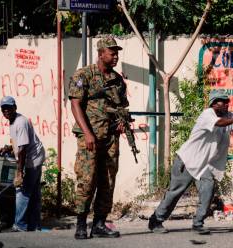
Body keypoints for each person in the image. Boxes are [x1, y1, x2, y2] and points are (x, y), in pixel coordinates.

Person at [148, 91, 233, 235]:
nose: (227, 104)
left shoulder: (228, 116)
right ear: (214, 104)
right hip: (187, 160)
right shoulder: (208, 115)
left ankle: (198, 223)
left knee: (208, 189)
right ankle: (156, 220)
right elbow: (221, 124)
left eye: (227, 101)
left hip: (204, 165)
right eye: (223, 101)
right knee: (175, 193)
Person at [68, 36, 129, 239]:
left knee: (108, 180)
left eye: (117, 53)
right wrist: (87, 133)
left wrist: (121, 121)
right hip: (90, 138)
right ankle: (80, 224)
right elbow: (75, 104)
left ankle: (99, 224)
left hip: (110, 138)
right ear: (101, 53)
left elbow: (122, 107)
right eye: (112, 53)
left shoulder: (117, 80)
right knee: (87, 179)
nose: (115, 57)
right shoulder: (84, 75)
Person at [0, 96, 45, 232]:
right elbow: (19, 142)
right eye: (4, 109)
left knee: (22, 192)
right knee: (34, 193)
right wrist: (8, 147)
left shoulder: (20, 122)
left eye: (9, 107)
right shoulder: (13, 121)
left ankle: (20, 225)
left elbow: (23, 149)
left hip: (32, 160)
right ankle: (34, 225)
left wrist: (20, 172)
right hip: (34, 158)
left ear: (15, 107)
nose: (6, 111)